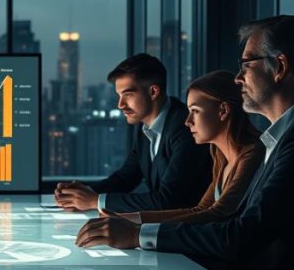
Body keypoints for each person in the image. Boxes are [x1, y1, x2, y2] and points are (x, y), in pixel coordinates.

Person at [75, 15, 294, 270]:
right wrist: (136, 226)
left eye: (246, 65)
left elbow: (240, 235)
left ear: (280, 68)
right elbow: (225, 220)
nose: (238, 78)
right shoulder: (293, 132)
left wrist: (138, 234)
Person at [55, 53, 211, 214]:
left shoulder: (186, 127)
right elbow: (126, 178)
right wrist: (83, 192)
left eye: (127, 95)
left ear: (153, 92)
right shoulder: (146, 127)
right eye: (119, 95)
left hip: (187, 229)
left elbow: (168, 200)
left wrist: (95, 201)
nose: (120, 105)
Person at [117, 70, 264, 225]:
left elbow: (218, 213)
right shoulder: (219, 155)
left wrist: (137, 230)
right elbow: (201, 209)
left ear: (223, 111)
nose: (188, 121)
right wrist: (129, 219)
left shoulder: (252, 154)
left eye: (195, 111)